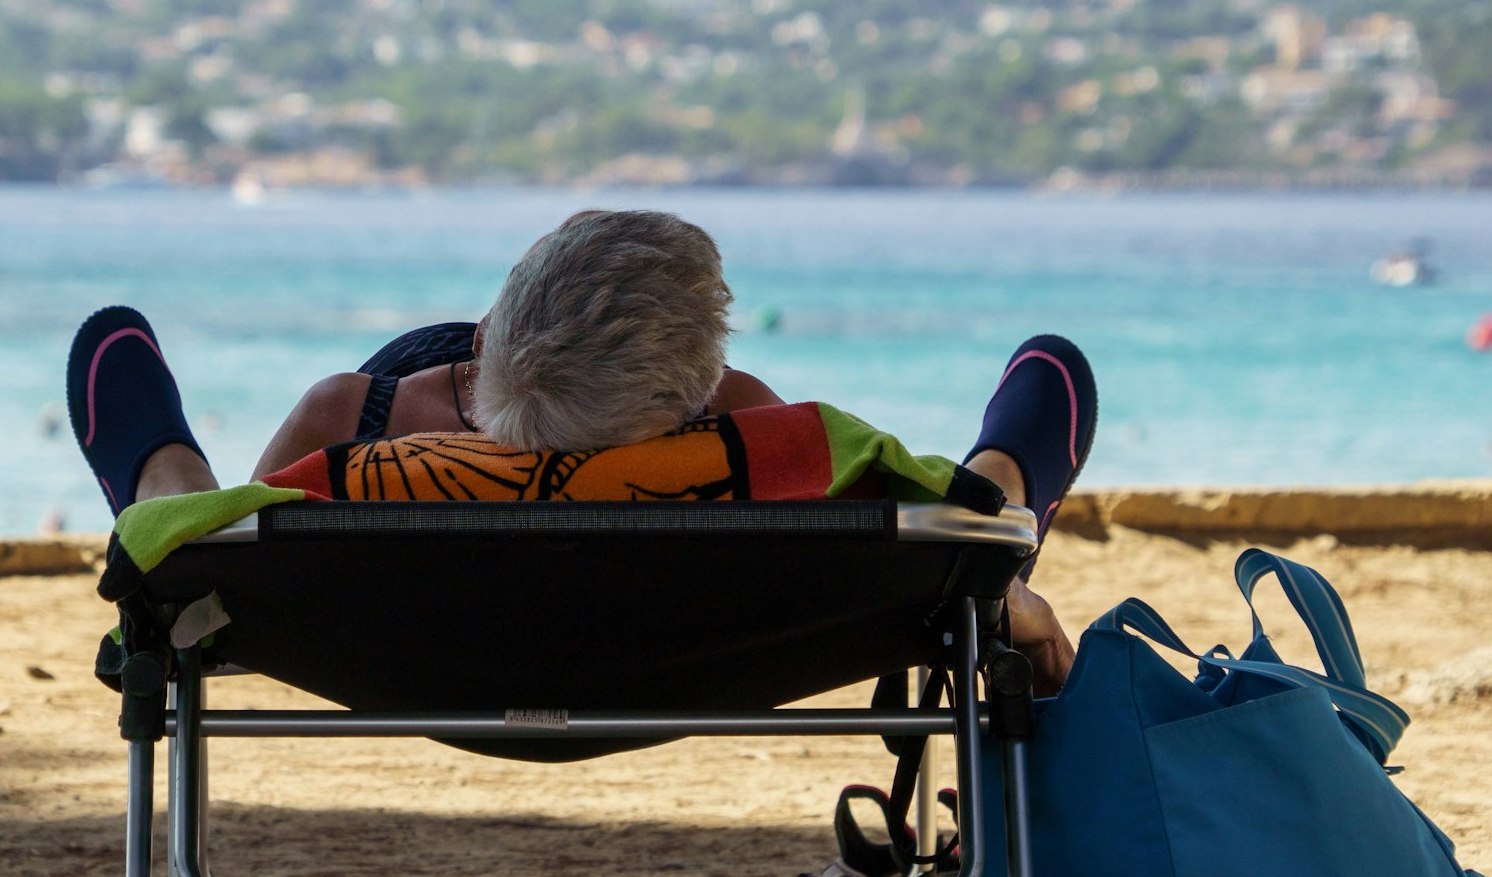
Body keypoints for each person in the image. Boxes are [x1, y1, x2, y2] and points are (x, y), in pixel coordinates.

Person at [67, 209, 1089, 692]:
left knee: (184, 505)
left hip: (407, 660)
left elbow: (236, 594)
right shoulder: (769, 446)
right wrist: (1008, 595)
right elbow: (935, 552)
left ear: (487, 336)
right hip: (683, 664)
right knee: (1005, 464)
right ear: (700, 388)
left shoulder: (349, 424)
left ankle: (164, 468)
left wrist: (176, 514)